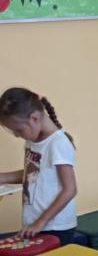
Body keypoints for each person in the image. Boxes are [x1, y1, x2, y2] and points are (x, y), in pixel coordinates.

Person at [0, 88, 78, 242]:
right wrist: (3, 178)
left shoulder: (58, 143)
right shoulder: (32, 140)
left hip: (55, 227)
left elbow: (70, 190)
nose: (17, 135)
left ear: (34, 118)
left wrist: (40, 222)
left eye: (18, 130)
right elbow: (34, 174)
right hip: (34, 224)